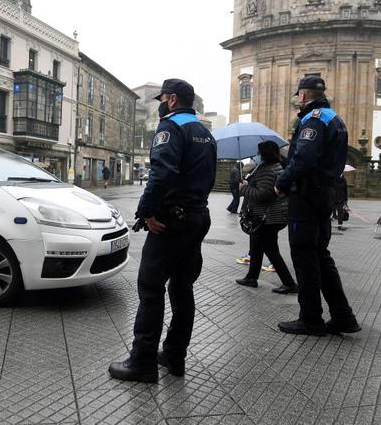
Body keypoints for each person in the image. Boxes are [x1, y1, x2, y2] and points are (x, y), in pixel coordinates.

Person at [109, 78, 216, 383]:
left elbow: (162, 173)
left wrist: (146, 212)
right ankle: (173, 356)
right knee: (182, 288)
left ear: (171, 100)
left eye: (161, 99)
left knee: (151, 288)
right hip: (197, 217)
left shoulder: (170, 127)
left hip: (171, 221)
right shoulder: (205, 133)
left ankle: (142, 362)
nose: (159, 104)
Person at [274, 75, 360, 336]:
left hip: (307, 198)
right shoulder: (335, 118)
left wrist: (282, 181)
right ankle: (343, 316)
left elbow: (304, 158)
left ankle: (310, 318)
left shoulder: (313, 120)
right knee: (321, 257)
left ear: (302, 95)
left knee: (304, 257)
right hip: (324, 196)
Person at [235, 141, 297, 294]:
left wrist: (244, 188)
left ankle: (289, 283)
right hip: (271, 215)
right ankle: (251, 277)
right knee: (256, 246)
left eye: (258, 153)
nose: (256, 156)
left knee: (270, 249)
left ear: (264, 154)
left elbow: (263, 195)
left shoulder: (267, 170)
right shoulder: (274, 167)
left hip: (268, 216)